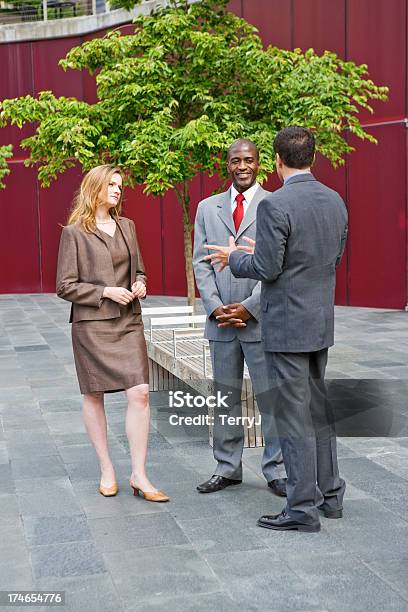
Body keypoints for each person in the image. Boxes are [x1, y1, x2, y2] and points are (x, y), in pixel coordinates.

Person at [205, 126, 347, 532]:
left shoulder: (275, 205)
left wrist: (234, 257)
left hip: (285, 326)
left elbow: (267, 268)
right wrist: (260, 252)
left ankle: (301, 509)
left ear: (277, 161)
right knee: (319, 411)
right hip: (319, 323)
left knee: (292, 417)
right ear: (313, 159)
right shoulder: (335, 200)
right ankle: (331, 497)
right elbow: (325, 255)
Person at [56, 164, 169, 502]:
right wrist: (104, 291)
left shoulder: (128, 227)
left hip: (128, 321)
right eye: (111, 185)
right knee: (94, 395)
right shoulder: (74, 232)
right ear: (95, 188)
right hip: (92, 327)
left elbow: (139, 269)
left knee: (141, 393)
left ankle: (139, 474)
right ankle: (107, 468)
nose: (118, 190)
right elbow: (65, 286)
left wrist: (140, 283)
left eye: (120, 186)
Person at [193, 139, 286, 495]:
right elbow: (201, 263)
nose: (242, 166)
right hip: (221, 322)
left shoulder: (275, 205)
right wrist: (216, 307)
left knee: (269, 399)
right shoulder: (206, 208)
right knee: (225, 398)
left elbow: (278, 265)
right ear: (227, 164)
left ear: (260, 163)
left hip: (261, 320)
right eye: (236, 160)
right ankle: (227, 467)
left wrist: (250, 307)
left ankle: (275, 470)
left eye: (248, 160)